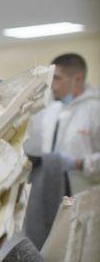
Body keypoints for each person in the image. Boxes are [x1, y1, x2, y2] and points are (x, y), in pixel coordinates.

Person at [25, 53, 100, 195]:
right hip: (54, 193)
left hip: (87, 196)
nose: (51, 85)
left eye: (57, 78)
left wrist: (80, 164)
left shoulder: (95, 110)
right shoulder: (53, 109)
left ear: (77, 79)